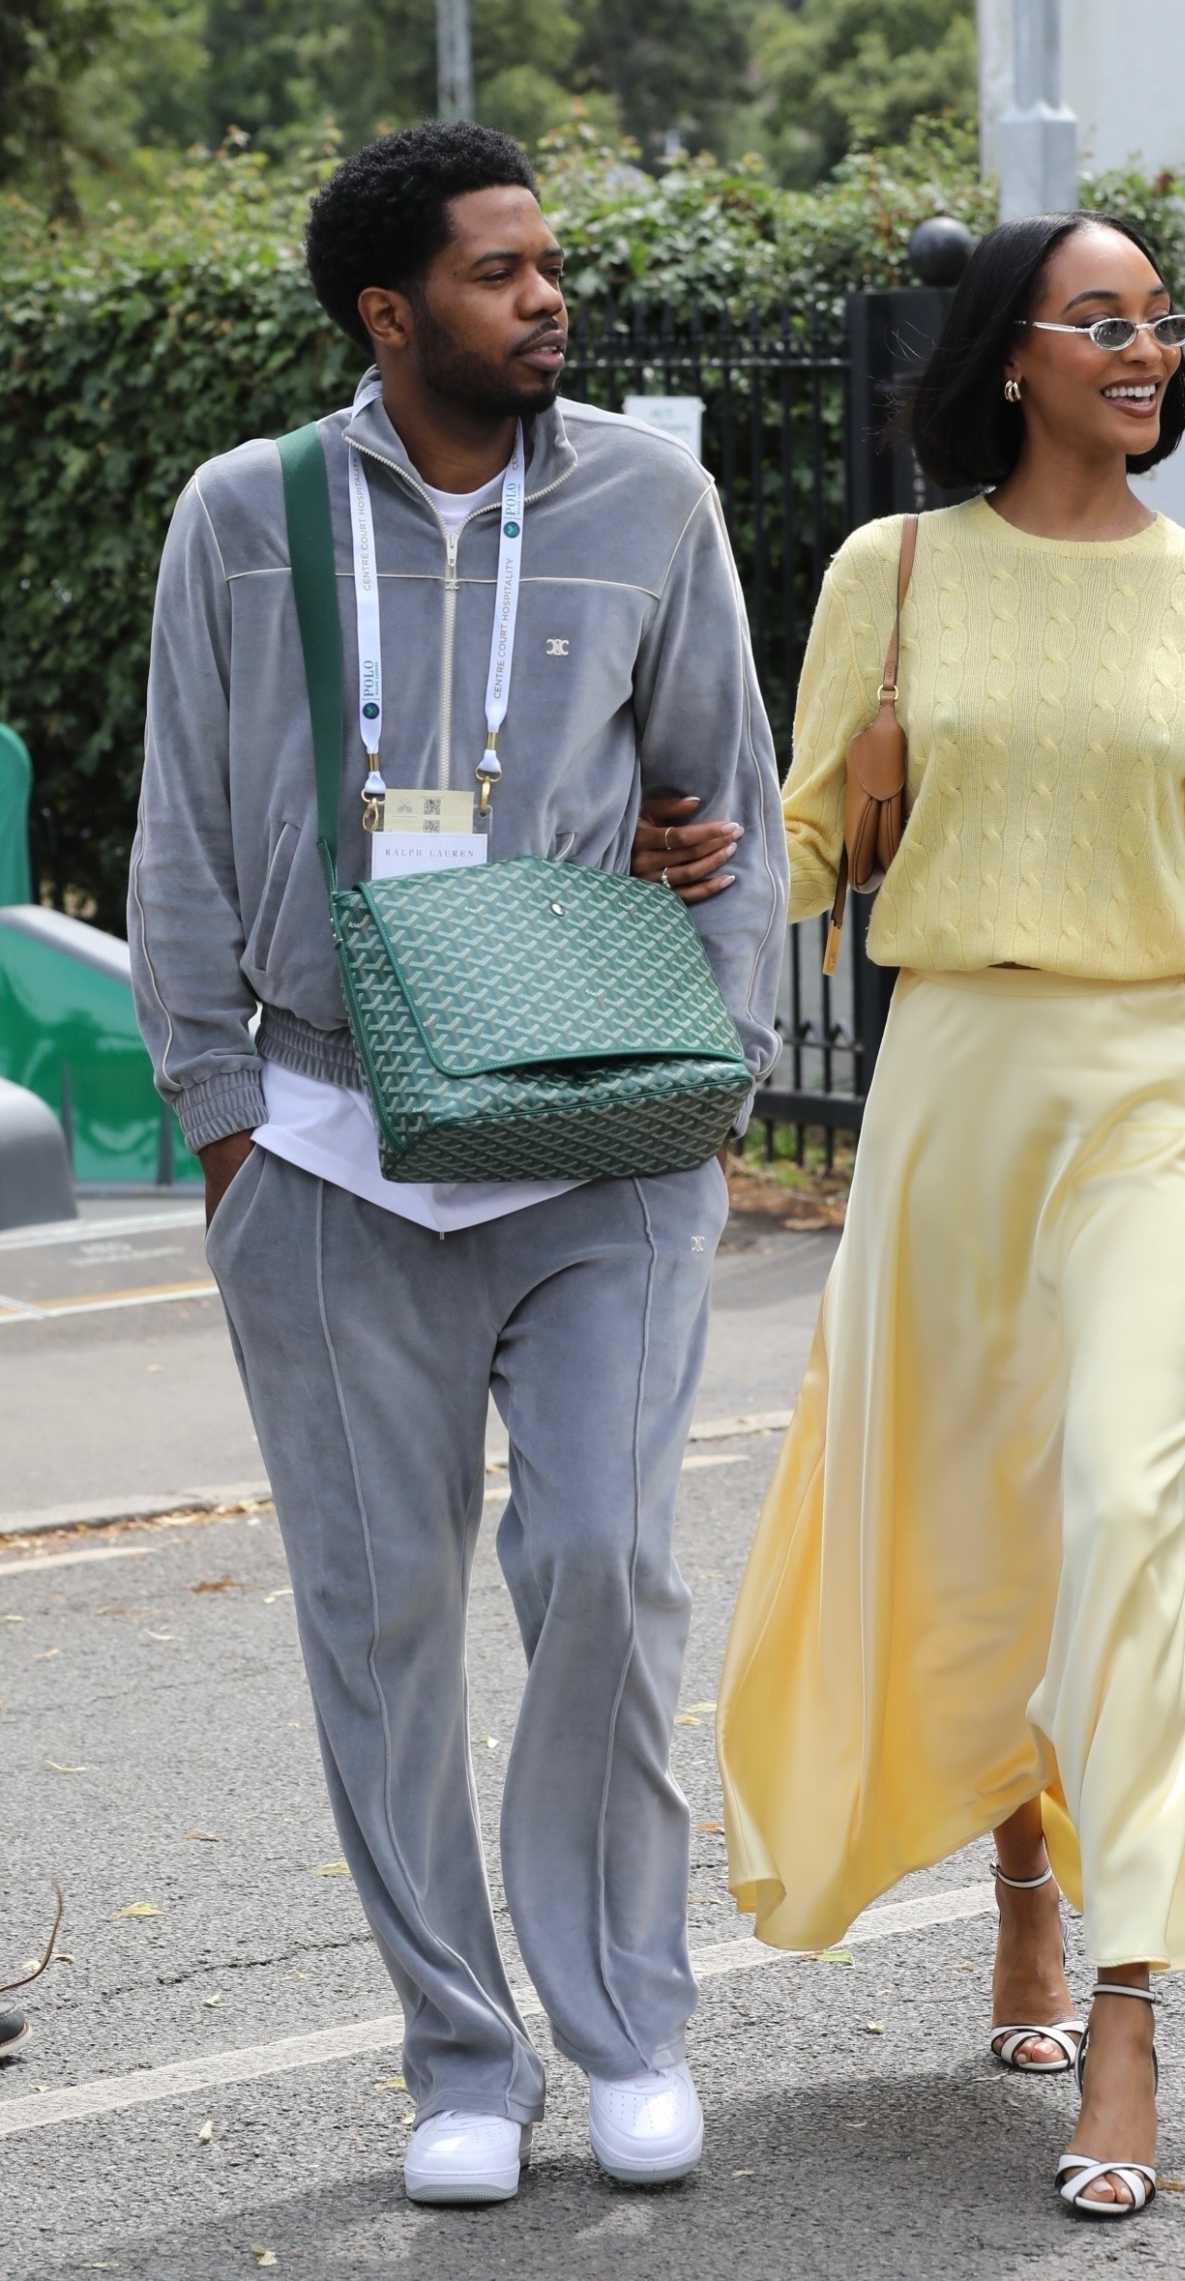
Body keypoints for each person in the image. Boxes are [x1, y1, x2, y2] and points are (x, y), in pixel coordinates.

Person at [129, 120, 787, 2205]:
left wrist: (721, 1079)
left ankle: (630, 2023)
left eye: (550, 264)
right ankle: (459, 2055)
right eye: (499, 273)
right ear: (388, 310)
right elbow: (176, 834)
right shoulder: (241, 517)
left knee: (605, 1563)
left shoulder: (652, 498)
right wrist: (222, 1123)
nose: (547, 298)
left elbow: (728, 804)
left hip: (599, 1136)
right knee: (379, 1616)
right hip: (327, 1141)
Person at [713, 214, 1185, 2221]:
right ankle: (1018, 1860)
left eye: (1159, 320)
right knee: (978, 1504)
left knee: (1117, 1503)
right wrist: (817, 804)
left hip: (1151, 1100)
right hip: (949, 1092)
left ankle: (1129, 1996)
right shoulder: (892, 572)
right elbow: (807, 867)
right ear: (1013, 350)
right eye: (1102, 318)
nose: (1144, 347)